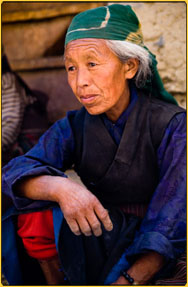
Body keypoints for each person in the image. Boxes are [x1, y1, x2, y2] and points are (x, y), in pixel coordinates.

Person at [2, 4, 186, 285]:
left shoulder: (173, 125)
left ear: (129, 66)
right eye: (71, 68)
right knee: (33, 209)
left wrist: (129, 279)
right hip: (101, 233)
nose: (80, 82)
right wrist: (60, 188)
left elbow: (173, 216)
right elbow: (15, 172)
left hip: (151, 246)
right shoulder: (75, 126)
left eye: (92, 63)